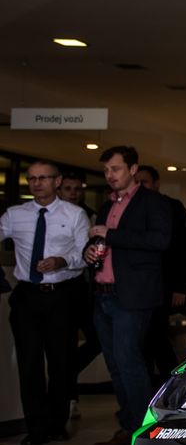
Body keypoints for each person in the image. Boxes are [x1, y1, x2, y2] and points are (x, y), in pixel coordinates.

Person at [86, 146, 172, 445]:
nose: (110, 175)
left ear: (133, 169)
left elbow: (160, 240)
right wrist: (89, 252)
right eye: (106, 170)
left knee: (129, 362)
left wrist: (111, 234)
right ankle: (128, 426)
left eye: (116, 169)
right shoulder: (106, 205)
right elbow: (102, 243)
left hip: (132, 297)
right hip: (103, 294)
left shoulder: (153, 202)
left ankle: (144, 434)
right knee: (115, 365)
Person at [0, 160, 90, 445]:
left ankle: (57, 423)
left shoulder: (74, 214)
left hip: (61, 295)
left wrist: (62, 260)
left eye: (43, 178)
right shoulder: (15, 215)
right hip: (27, 296)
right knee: (29, 363)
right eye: (32, 179)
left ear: (57, 181)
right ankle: (36, 427)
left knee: (61, 361)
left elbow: (84, 254)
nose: (37, 183)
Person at [134, 165, 186, 381]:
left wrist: (181, 287)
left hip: (163, 287)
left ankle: (173, 383)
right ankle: (152, 387)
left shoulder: (173, 208)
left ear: (156, 183)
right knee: (143, 340)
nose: (140, 187)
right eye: (137, 182)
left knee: (156, 338)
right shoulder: (130, 209)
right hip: (136, 289)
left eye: (144, 182)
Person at [57, 170, 99, 420]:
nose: (73, 193)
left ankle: (67, 374)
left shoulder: (91, 215)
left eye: (77, 189)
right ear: (59, 189)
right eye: (68, 188)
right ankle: (68, 396)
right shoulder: (53, 215)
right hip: (62, 287)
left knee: (96, 340)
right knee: (64, 343)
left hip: (86, 290)